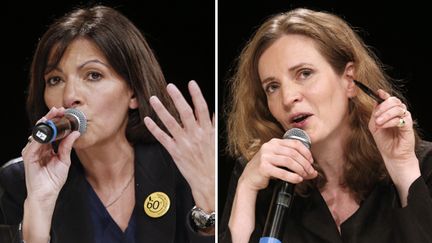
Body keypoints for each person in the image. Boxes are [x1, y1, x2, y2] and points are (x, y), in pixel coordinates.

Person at [0, 5, 215, 243]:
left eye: (93, 75)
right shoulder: (18, 181)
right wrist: (39, 208)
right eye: (55, 79)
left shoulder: (183, 167)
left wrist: (208, 201)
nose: (70, 95)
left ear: (133, 92)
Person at [219, 8, 432, 243]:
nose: (288, 97)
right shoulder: (261, 177)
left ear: (349, 80)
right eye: (272, 86)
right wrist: (246, 191)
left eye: (304, 73)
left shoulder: (422, 165)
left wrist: (403, 170)